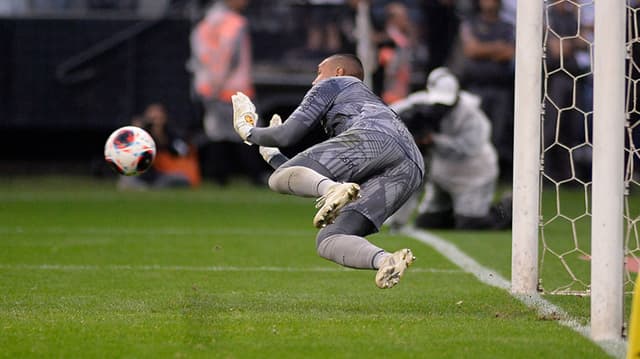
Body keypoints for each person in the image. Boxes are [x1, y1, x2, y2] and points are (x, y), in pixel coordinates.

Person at [230, 54, 424, 289]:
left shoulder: (335, 84)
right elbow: (299, 176)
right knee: (330, 238)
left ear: (339, 72)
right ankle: (386, 260)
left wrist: (247, 130)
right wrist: (272, 155)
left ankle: (331, 190)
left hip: (373, 137)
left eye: (319, 72)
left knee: (277, 181)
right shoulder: (368, 101)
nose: (315, 81)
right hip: (412, 165)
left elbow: (286, 135)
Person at [388, 67, 511, 230]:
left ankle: (508, 208)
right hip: (442, 174)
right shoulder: (418, 104)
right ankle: (456, 212)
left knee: (470, 224)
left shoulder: (471, 114)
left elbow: (469, 148)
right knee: (427, 223)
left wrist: (434, 140)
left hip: (473, 174)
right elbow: (387, 114)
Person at [188, 0, 267, 185]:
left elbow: (200, 54)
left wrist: (209, 84)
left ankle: (219, 177)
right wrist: (218, 83)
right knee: (248, 130)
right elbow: (228, 54)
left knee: (217, 132)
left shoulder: (204, 23)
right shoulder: (234, 23)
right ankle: (255, 175)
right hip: (233, 87)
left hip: (209, 87)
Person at [459, 0, 515, 181]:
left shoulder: (508, 26)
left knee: (497, 135)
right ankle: (473, 175)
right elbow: (471, 50)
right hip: (476, 89)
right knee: (475, 135)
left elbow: (510, 52)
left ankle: (492, 176)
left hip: (500, 89)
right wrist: (496, 48)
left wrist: (484, 49)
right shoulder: (471, 23)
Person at [118, 103, 202, 190]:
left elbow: (183, 152)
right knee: (128, 177)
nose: (156, 122)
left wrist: (161, 137)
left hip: (164, 173)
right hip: (144, 174)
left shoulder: (171, 134)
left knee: (180, 178)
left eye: (158, 118)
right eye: (152, 119)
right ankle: (143, 186)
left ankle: (148, 188)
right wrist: (136, 131)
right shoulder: (141, 136)